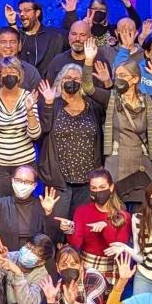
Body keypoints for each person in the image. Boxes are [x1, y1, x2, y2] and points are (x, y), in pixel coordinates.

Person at [37, 63, 108, 215]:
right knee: (56, 226)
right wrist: (48, 104)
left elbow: (110, 107)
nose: (72, 81)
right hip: (58, 180)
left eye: (77, 78)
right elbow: (43, 130)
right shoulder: (52, 104)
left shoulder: (92, 106)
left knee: (81, 228)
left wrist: (107, 84)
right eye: (68, 77)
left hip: (87, 180)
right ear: (60, 80)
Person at [104, 60, 152, 205]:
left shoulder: (147, 101)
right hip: (118, 162)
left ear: (135, 79)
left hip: (141, 162)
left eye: (122, 75)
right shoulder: (111, 98)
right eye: (116, 75)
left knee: (143, 206)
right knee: (116, 207)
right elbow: (89, 89)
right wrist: (88, 61)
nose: (118, 78)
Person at [0, 58, 41, 196]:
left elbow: (35, 134)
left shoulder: (28, 97)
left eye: (12, 70)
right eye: (4, 71)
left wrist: (30, 110)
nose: (8, 74)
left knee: (24, 208)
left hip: (24, 164)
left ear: (19, 74)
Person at [68, 169, 131, 278]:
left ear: (111, 188)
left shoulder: (123, 216)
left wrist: (106, 227)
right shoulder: (82, 211)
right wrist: (69, 229)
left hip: (112, 266)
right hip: (86, 264)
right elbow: (76, 244)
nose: (98, 191)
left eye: (102, 187)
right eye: (94, 188)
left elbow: (118, 249)